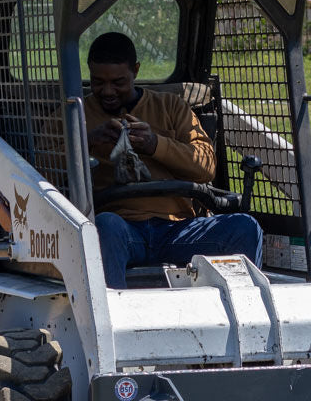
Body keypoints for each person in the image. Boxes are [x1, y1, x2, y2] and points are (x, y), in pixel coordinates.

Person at [83, 31, 263, 289]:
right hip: (121, 230)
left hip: (179, 229)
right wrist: (87, 141)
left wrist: (156, 144)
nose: (108, 91)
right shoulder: (72, 116)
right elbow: (47, 173)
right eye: (98, 82)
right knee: (105, 225)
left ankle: (245, 316)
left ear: (135, 70)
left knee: (245, 227)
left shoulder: (172, 108)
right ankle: (110, 316)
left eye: (118, 82)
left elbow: (206, 167)